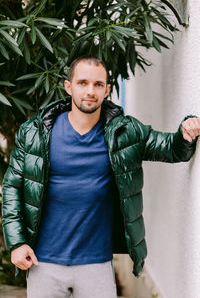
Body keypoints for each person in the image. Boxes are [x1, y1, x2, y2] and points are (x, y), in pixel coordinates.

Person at [2, 55, 200, 298]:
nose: (90, 91)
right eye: (82, 82)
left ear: (107, 90)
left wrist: (186, 132)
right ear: (68, 86)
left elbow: (170, 147)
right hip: (44, 263)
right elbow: (12, 186)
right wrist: (17, 243)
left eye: (98, 85)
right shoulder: (35, 133)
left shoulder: (124, 132)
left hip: (97, 265)